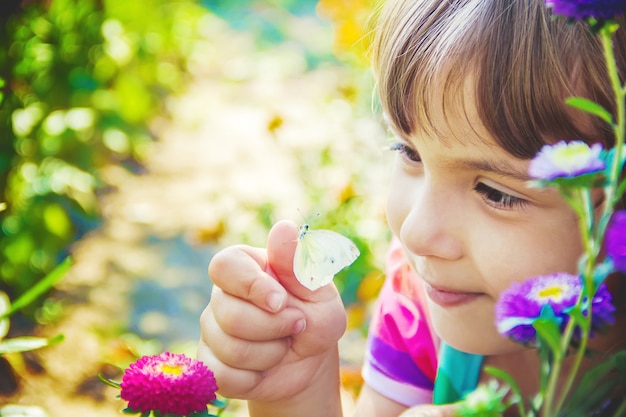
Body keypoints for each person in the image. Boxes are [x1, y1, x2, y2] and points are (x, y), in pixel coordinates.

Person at [197, 0, 626, 416]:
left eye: (496, 193)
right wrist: (295, 391)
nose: (416, 234)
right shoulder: (419, 306)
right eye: (409, 151)